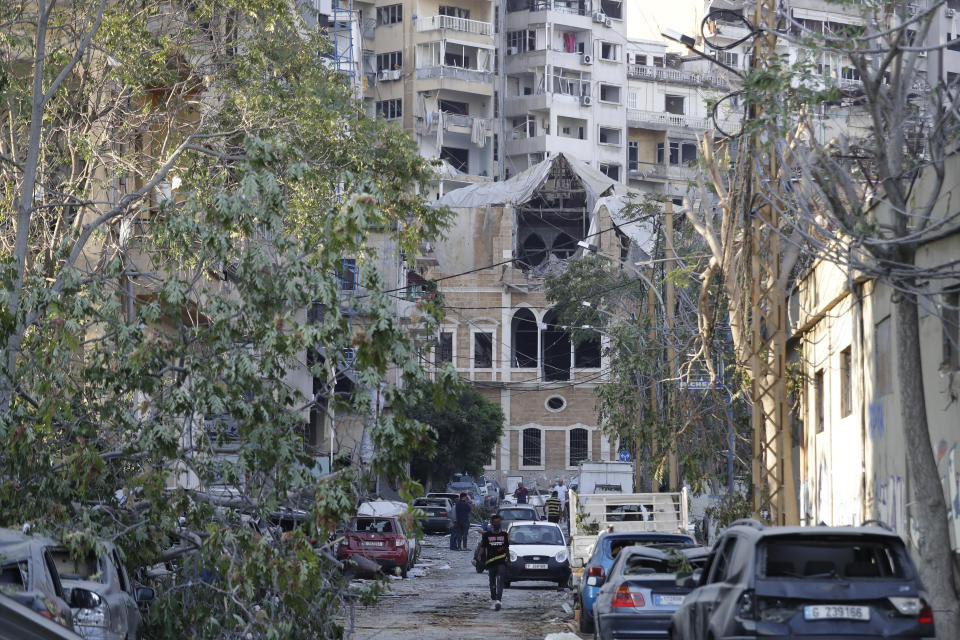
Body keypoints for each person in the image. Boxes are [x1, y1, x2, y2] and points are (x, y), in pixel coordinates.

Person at [479, 514, 510, 610]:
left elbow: (506, 548)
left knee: (500, 581)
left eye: (499, 522)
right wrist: (479, 556)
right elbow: (483, 547)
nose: (497, 524)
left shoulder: (504, 535)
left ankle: (498, 600)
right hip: (491, 562)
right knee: (492, 582)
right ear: (492, 523)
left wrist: (509, 559)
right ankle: (493, 599)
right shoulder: (487, 535)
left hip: (501, 562)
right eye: (495, 522)